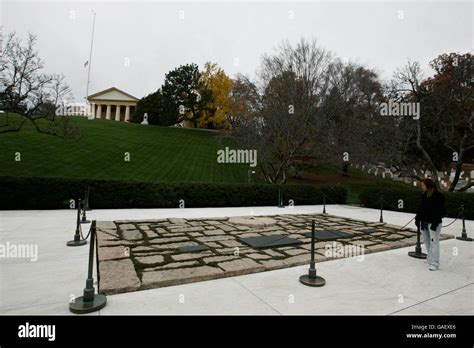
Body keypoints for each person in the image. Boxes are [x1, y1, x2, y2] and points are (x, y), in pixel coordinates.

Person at [415, 178, 447, 271]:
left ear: (429, 186)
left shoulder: (439, 196)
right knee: (427, 241)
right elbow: (421, 208)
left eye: (423, 185)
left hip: (434, 223)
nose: (422, 187)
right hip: (424, 222)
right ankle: (430, 258)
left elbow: (442, 212)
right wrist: (418, 219)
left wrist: (434, 223)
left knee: (434, 243)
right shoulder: (425, 195)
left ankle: (435, 262)